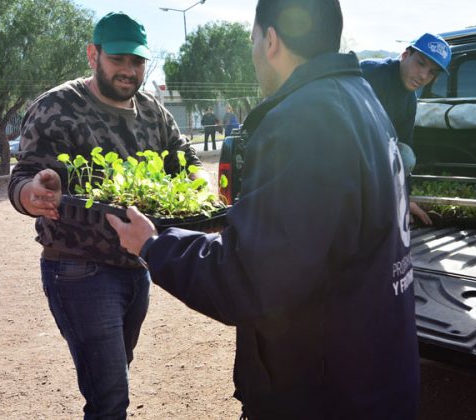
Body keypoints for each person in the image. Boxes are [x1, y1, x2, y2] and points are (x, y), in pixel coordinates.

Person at [107, 0, 419, 418]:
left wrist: (153, 245)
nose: (253, 54)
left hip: (324, 392)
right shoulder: (360, 97)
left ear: (271, 39)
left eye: (253, 40)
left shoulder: (306, 117)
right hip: (373, 372)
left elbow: (250, 278)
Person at [7, 12, 204, 418]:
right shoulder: (57, 107)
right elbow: (24, 177)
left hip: (138, 264)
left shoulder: (153, 111)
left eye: (137, 62)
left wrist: (199, 185)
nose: (130, 70)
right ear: (93, 54)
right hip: (80, 271)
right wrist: (31, 194)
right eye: (119, 59)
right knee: (110, 397)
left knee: (112, 380)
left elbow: (186, 160)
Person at [361, 32, 452, 226]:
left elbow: (402, 151)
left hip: (367, 157)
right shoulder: (370, 73)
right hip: (334, 148)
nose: (423, 75)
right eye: (420, 63)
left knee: (406, 154)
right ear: (405, 55)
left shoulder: (410, 101)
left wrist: (403, 198)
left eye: (432, 72)